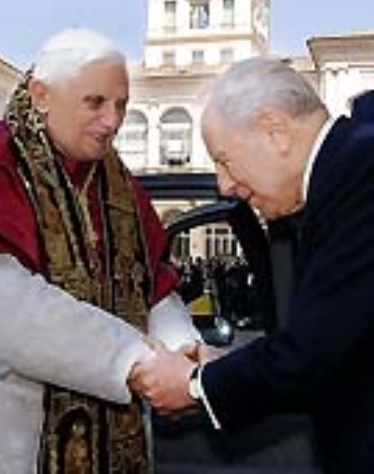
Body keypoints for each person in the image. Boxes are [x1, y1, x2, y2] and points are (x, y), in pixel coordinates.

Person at [0, 27, 202, 474]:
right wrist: (137, 362)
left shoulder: (118, 185)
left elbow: (151, 283)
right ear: (42, 94)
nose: (112, 121)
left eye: (121, 105)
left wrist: (184, 350)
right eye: (95, 102)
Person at [129, 57, 374, 474]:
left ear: (275, 130)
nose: (224, 185)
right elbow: (338, 342)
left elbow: (311, 353)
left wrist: (193, 385)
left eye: (224, 160)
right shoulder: (343, 173)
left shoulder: (362, 171)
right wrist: (215, 365)